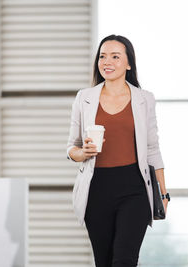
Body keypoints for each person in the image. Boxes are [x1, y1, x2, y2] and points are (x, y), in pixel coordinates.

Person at [66, 34, 169, 267]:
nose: (107, 62)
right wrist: (82, 154)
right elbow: (72, 146)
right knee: (104, 261)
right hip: (96, 188)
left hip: (135, 189)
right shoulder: (85, 98)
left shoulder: (145, 99)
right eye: (102, 56)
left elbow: (153, 148)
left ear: (128, 63)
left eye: (115, 56)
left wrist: (163, 192)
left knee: (124, 260)